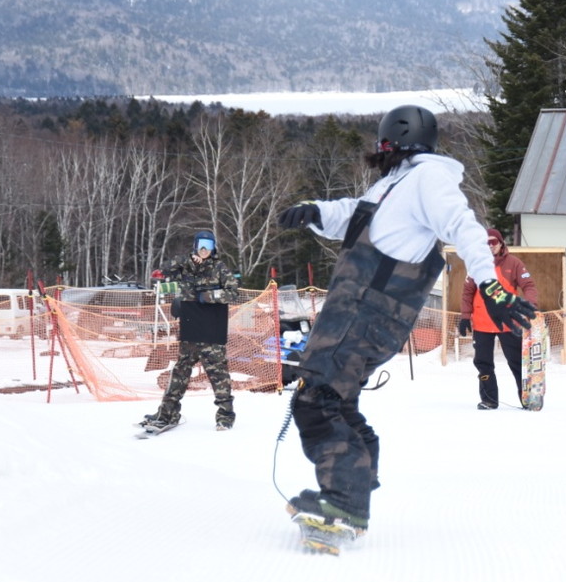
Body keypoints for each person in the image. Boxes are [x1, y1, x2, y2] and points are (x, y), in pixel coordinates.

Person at [277, 105, 535, 546]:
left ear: (391, 141)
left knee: (315, 400)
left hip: (368, 311)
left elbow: (463, 227)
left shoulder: (428, 179)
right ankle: (354, 484)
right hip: (353, 310)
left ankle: (344, 500)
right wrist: (315, 211)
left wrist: (490, 284)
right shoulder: (395, 183)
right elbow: (354, 216)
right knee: (336, 401)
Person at [141, 230, 241, 431]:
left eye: (209, 245)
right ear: (195, 246)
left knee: (219, 376)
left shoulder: (220, 268)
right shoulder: (186, 266)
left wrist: (208, 297)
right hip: (190, 330)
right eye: (201, 244)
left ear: (214, 248)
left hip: (212, 331)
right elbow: (164, 269)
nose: (204, 249)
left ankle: (225, 417)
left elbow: (233, 293)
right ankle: (167, 414)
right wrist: (187, 260)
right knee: (179, 374)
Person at [459, 228, 539, 409]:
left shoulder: (514, 263)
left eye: (493, 242)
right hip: (482, 323)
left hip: (507, 322)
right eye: (486, 243)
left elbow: (528, 285)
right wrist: (465, 316)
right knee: (483, 363)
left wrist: (530, 305)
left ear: (501, 243)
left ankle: (527, 398)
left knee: (518, 362)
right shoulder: (476, 265)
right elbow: (467, 292)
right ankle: (489, 399)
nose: (490, 246)